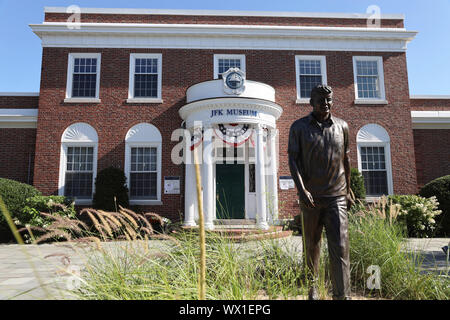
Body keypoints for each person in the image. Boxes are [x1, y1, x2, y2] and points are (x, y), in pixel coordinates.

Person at [288, 84, 353, 300]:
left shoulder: (342, 126)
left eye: (329, 99)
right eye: (320, 100)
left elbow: (346, 159)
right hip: (311, 198)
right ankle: (312, 292)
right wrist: (302, 190)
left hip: (337, 196)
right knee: (311, 247)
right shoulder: (298, 127)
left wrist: (349, 190)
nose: (325, 103)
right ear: (311, 102)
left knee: (341, 246)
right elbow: (293, 160)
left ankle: (342, 295)